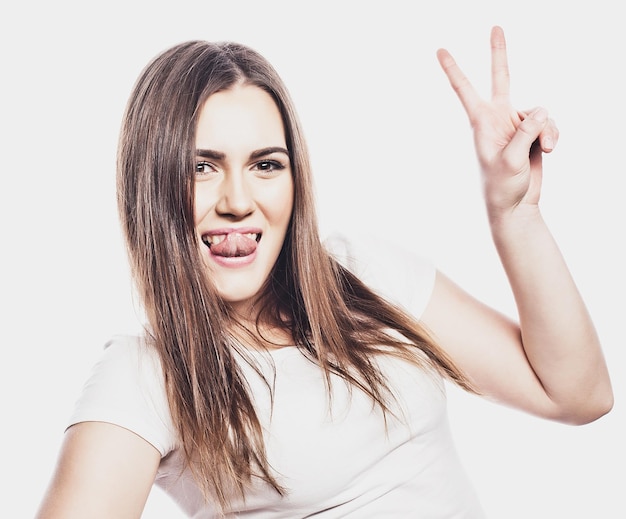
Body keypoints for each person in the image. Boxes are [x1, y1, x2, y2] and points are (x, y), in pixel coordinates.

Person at [35, 26, 613, 518]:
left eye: (266, 165)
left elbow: (577, 396)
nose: (238, 199)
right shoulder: (145, 374)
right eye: (201, 167)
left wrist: (514, 214)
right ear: (152, 183)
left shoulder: (364, 273)